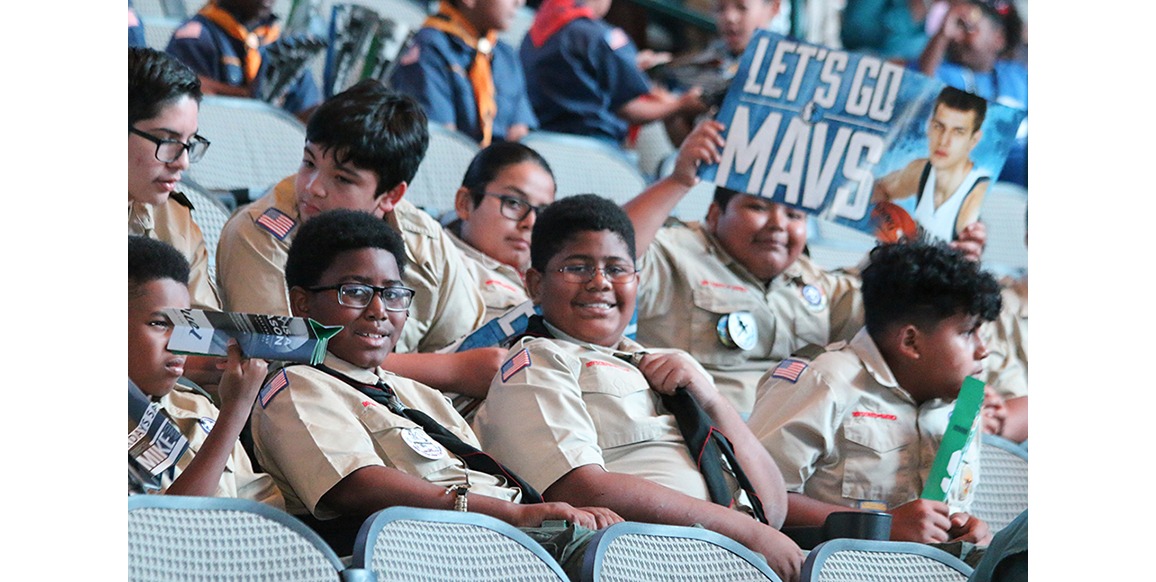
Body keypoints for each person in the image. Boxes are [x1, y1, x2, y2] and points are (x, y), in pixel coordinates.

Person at [249, 209, 620, 558]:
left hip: (504, 539)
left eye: (392, 294)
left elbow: (481, 476)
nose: (379, 311)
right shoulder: (296, 387)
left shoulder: (418, 395)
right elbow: (358, 486)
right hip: (427, 554)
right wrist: (513, 516)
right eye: (356, 292)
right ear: (302, 303)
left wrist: (542, 515)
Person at [473, 194, 805, 582]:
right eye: (577, 267)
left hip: (734, 556)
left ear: (637, 281)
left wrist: (713, 401)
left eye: (617, 269)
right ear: (535, 283)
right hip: (643, 559)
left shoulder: (668, 366)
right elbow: (581, 488)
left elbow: (772, 509)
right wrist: (743, 534)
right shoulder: (540, 362)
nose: (599, 283)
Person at [214, 79, 503, 404]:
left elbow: (464, 344)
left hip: (415, 410)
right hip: (310, 407)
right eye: (309, 163)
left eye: (341, 178)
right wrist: (448, 370)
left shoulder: (422, 237)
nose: (312, 187)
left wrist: (452, 368)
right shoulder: (261, 233)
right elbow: (282, 360)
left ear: (391, 195)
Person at [746, 241, 999, 547]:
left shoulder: (961, 406)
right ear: (910, 342)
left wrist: (964, 528)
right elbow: (754, 496)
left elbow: (944, 513)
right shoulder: (825, 382)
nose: (984, 350)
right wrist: (878, 527)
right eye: (968, 332)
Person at [621, 120, 864, 417]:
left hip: (799, 443)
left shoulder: (813, 279)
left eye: (794, 214)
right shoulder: (674, 253)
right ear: (713, 215)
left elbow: (892, 313)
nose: (778, 224)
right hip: (700, 439)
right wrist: (678, 181)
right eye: (758, 208)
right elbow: (610, 252)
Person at [128, 236, 280, 505]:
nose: (179, 342)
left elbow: (264, 507)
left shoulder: (199, 408)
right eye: (160, 323)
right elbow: (165, 530)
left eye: (186, 326)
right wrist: (235, 413)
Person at [519, 0, 706, 147]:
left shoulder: (537, 28)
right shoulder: (603, 37)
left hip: (542, 142)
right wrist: (681, 104)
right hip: (596, 148)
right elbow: (630, 110)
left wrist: (629, 66)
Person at [129, 47, 222, 312]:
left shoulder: (176, 221)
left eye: (189, 142)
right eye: (168, 140)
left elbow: (205, 332)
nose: (183, 162)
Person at [389, 0, 538, 145]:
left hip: (496, 164)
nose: (520, 2)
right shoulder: (431, 49)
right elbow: (442, 142)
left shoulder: (505, 55)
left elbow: (519, 134)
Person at [916, 0, 1026, 187]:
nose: (958, 37)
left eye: (968, 28)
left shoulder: (1018, 75)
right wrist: (942, 35)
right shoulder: (946, 73)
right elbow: (920, 87)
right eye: (956, 29)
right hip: (964, 182)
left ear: (998, 38)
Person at [445, 141, 557, 320]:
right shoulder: (436, 265)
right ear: (464, 203)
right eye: (513, 203)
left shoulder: (553, 278)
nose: (530, 222)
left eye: (542, 212)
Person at [872, 86, 991, 244]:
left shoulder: (976, 195)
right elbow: (879, 189)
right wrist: (890, 230)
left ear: (974, 140)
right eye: (939, 127)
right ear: (929, 126)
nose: (943, 141)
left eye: (958, 132)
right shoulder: (921, 170)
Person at [166, 0, 322, 120]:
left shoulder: (285, 47)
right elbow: (192, 104)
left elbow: (306, 112)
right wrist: (252, 98)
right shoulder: (196, 38)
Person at [662, 0, 781, 145]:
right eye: (720, 8)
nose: (729, 17)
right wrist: (675, 109)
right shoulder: (695, 65)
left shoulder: (792, 67)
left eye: (742, 7)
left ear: (774, 7)